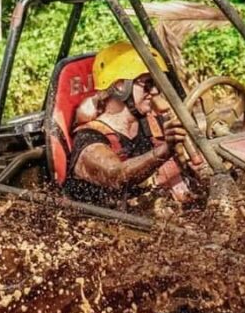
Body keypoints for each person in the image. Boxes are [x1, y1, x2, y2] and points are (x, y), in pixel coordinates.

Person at [64, 41, 192, 206]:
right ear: (119, 86)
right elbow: (115, 175)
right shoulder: (89, 139)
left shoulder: (155, 125)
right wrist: (166, 150)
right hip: (110, 225)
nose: (154, 92)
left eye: (157, 84)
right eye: (147, 84)